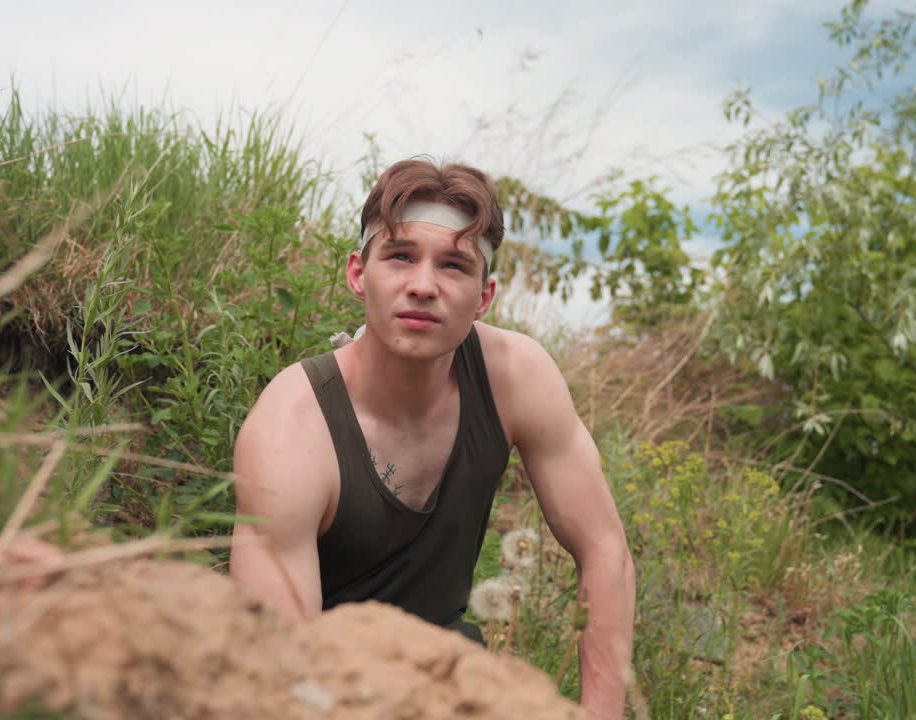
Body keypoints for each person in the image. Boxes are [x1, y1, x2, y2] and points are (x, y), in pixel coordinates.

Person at [229, 158, 634, 719]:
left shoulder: (516, 377)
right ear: (356, 273)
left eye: (453, 266)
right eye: (399, 256)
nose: (423, 286)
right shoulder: (291, 430)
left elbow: (605, 550)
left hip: (448, 673)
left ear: (484, 296)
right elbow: (276, 674)